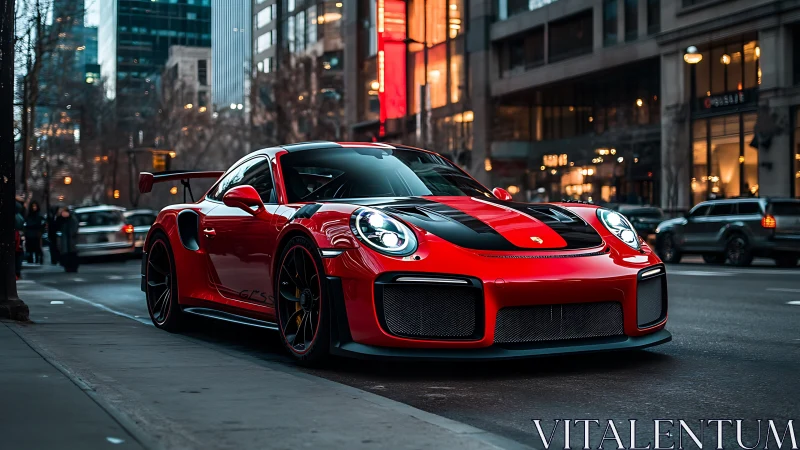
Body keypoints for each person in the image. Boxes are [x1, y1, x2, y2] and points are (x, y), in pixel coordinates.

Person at [57, 207, 80, 273]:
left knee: (72, 254)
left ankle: (72, 267)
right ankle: (68, 267)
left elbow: (74, 229)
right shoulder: (62, 219)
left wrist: (72, 235)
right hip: (66, 240)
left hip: (71, 240)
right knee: (67, 255)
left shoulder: (72, 219)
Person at [14, 201, 26, 279]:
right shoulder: (20, 217)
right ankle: (17, 272)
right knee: (19, 255)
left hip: (15, 236)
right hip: (19, 236)